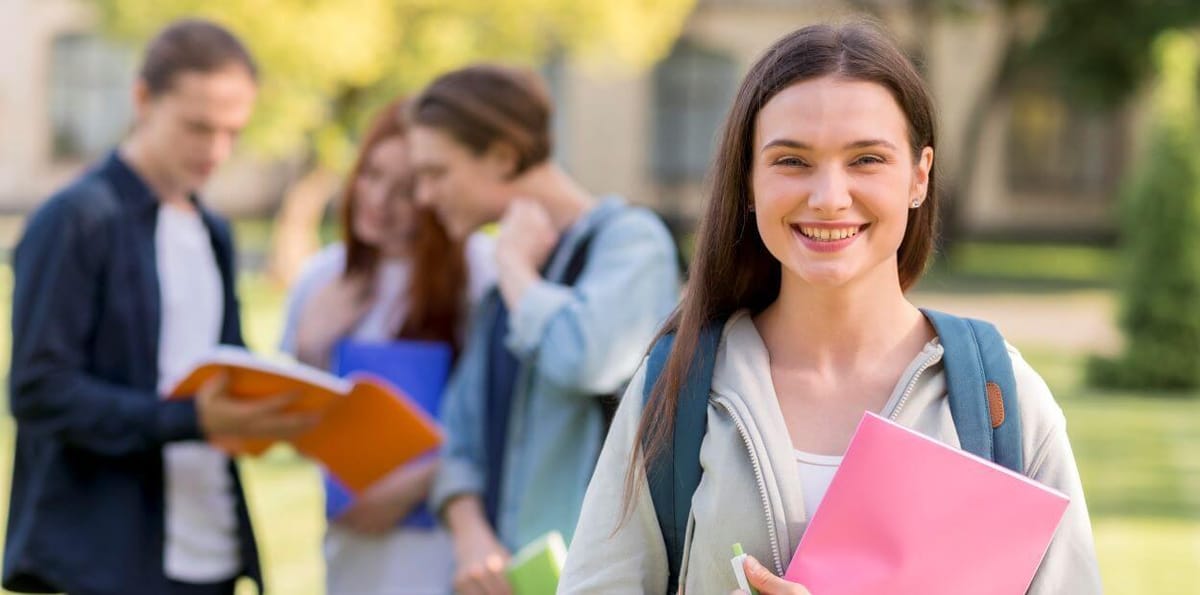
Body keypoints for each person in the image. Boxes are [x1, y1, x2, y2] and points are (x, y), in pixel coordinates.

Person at [558, 23, 1103, 595]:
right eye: (792, 161)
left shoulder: (999, 397)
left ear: (919, 177)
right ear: (748, 181)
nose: (828, 197)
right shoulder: (678, 383)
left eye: (866, 159)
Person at [4, 19, 315, 595]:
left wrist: (269, 407)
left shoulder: (215, 231)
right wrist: (190, 419)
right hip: (104, 560)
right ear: (143, 99)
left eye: (232, 132)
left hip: (211, 550)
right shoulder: (76, 219)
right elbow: (37, 389)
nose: (216, 151)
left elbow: (225, 362)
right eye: (198, 128)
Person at [407, 64, 681, 595]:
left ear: (504, 156)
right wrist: (471, 538)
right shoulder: (503, 291)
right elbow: (457, 442)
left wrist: (513, 267)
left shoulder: (630, 242)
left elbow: (590, 358)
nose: (422, 196)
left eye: (436, 173)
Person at [280, 98, 495, 595]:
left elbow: (500, 421)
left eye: (404, 190)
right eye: (371, 175)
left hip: (449, 543)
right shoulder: (322, 277)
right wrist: (309, 346)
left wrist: (415, 483)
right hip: (352, 544)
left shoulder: (479, 275)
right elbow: (289, 424)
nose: (378, 200)